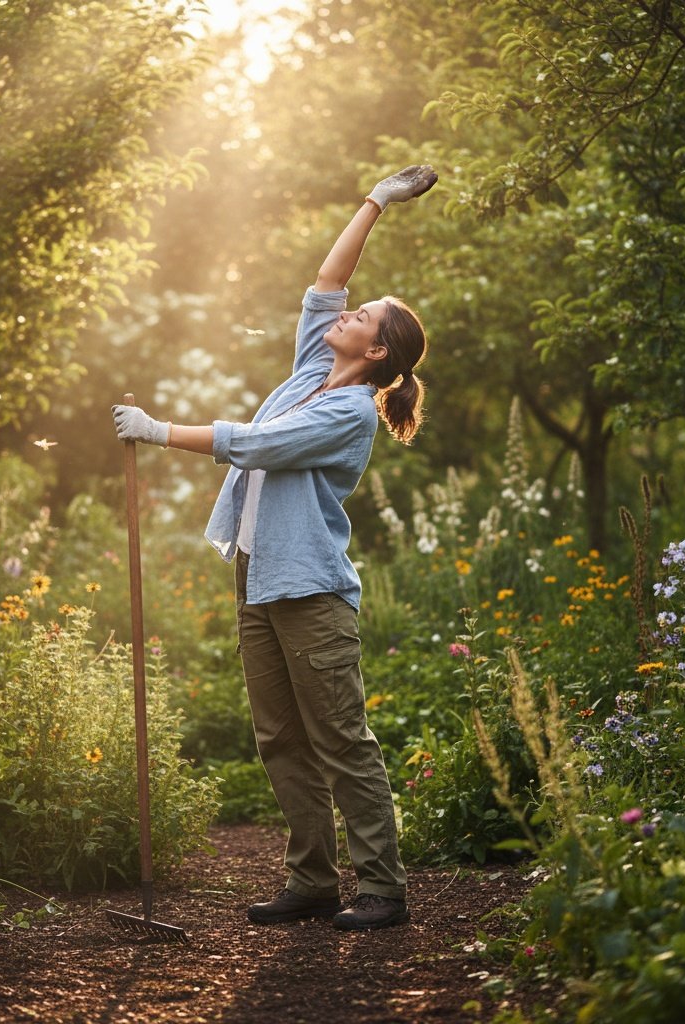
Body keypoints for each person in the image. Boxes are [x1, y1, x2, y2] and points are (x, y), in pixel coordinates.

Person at [112, 164, 438, 931]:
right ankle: (312, 879)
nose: (348, 312)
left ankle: (382, 889)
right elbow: (325, 282)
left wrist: (160, 432)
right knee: (279, 738)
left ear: (381, 352)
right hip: (257, 574)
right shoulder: (311, 372)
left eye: (366, 316)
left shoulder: (351, 412)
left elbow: (257, 446)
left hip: (310, 588)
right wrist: (374, 203)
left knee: (339, 737)